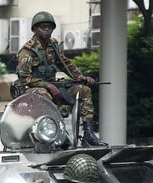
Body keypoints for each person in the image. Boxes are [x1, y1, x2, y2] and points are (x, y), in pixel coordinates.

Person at [16, 11, 105, 147]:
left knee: (84, 90)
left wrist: (80, 77)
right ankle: (56, 135)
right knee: (45, 95)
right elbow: (24, 79)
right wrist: (47, 86)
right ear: (34, 29)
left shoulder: (53, 46)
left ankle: (88, 134)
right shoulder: (27, 51)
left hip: (52, 86)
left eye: (49, 26)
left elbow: (65, 64)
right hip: (32, 90)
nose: (47, 29)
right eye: (43, 26)